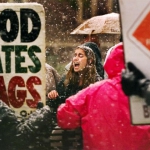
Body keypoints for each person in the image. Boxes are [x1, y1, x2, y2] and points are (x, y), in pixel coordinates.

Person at [57, 42, 150, 150]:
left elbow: (64, 117)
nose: (75, 58)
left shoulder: (93, 91)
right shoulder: (145, 91)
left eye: (80, 55)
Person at [47, 44, 102, 112]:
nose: (75, 58)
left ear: (89, 61)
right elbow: (58, 104)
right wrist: (53, 96)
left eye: (80, 55)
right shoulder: (66, 79)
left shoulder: (97, 83)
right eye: (75, 55)